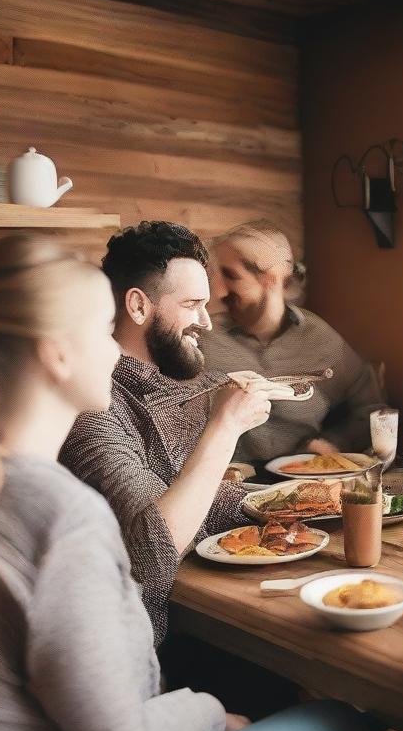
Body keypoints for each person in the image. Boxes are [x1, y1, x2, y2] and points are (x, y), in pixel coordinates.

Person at [0, 235, 403, 731]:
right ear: (55, 353)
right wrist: (214, 717)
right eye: (100, 331)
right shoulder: (61, 518)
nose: (114, 351)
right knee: (337, 729)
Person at [60, 221, 272, 645]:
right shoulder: (93, 409)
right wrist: (225, 427)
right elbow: (153, 552)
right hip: (146, 649)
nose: (207, 323)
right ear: (138, 307)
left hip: (190, 619)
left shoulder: (171, 382)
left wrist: (309, 502)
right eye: (193, 304)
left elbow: (191, 497)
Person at [200, 220, 385, 463]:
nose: (220, 292)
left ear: (271, 278)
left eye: (231, 276)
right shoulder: (204, 339)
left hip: (300, 481)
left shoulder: (321, 340)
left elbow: (370, 411)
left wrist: (333, 442)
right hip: (221, 484)